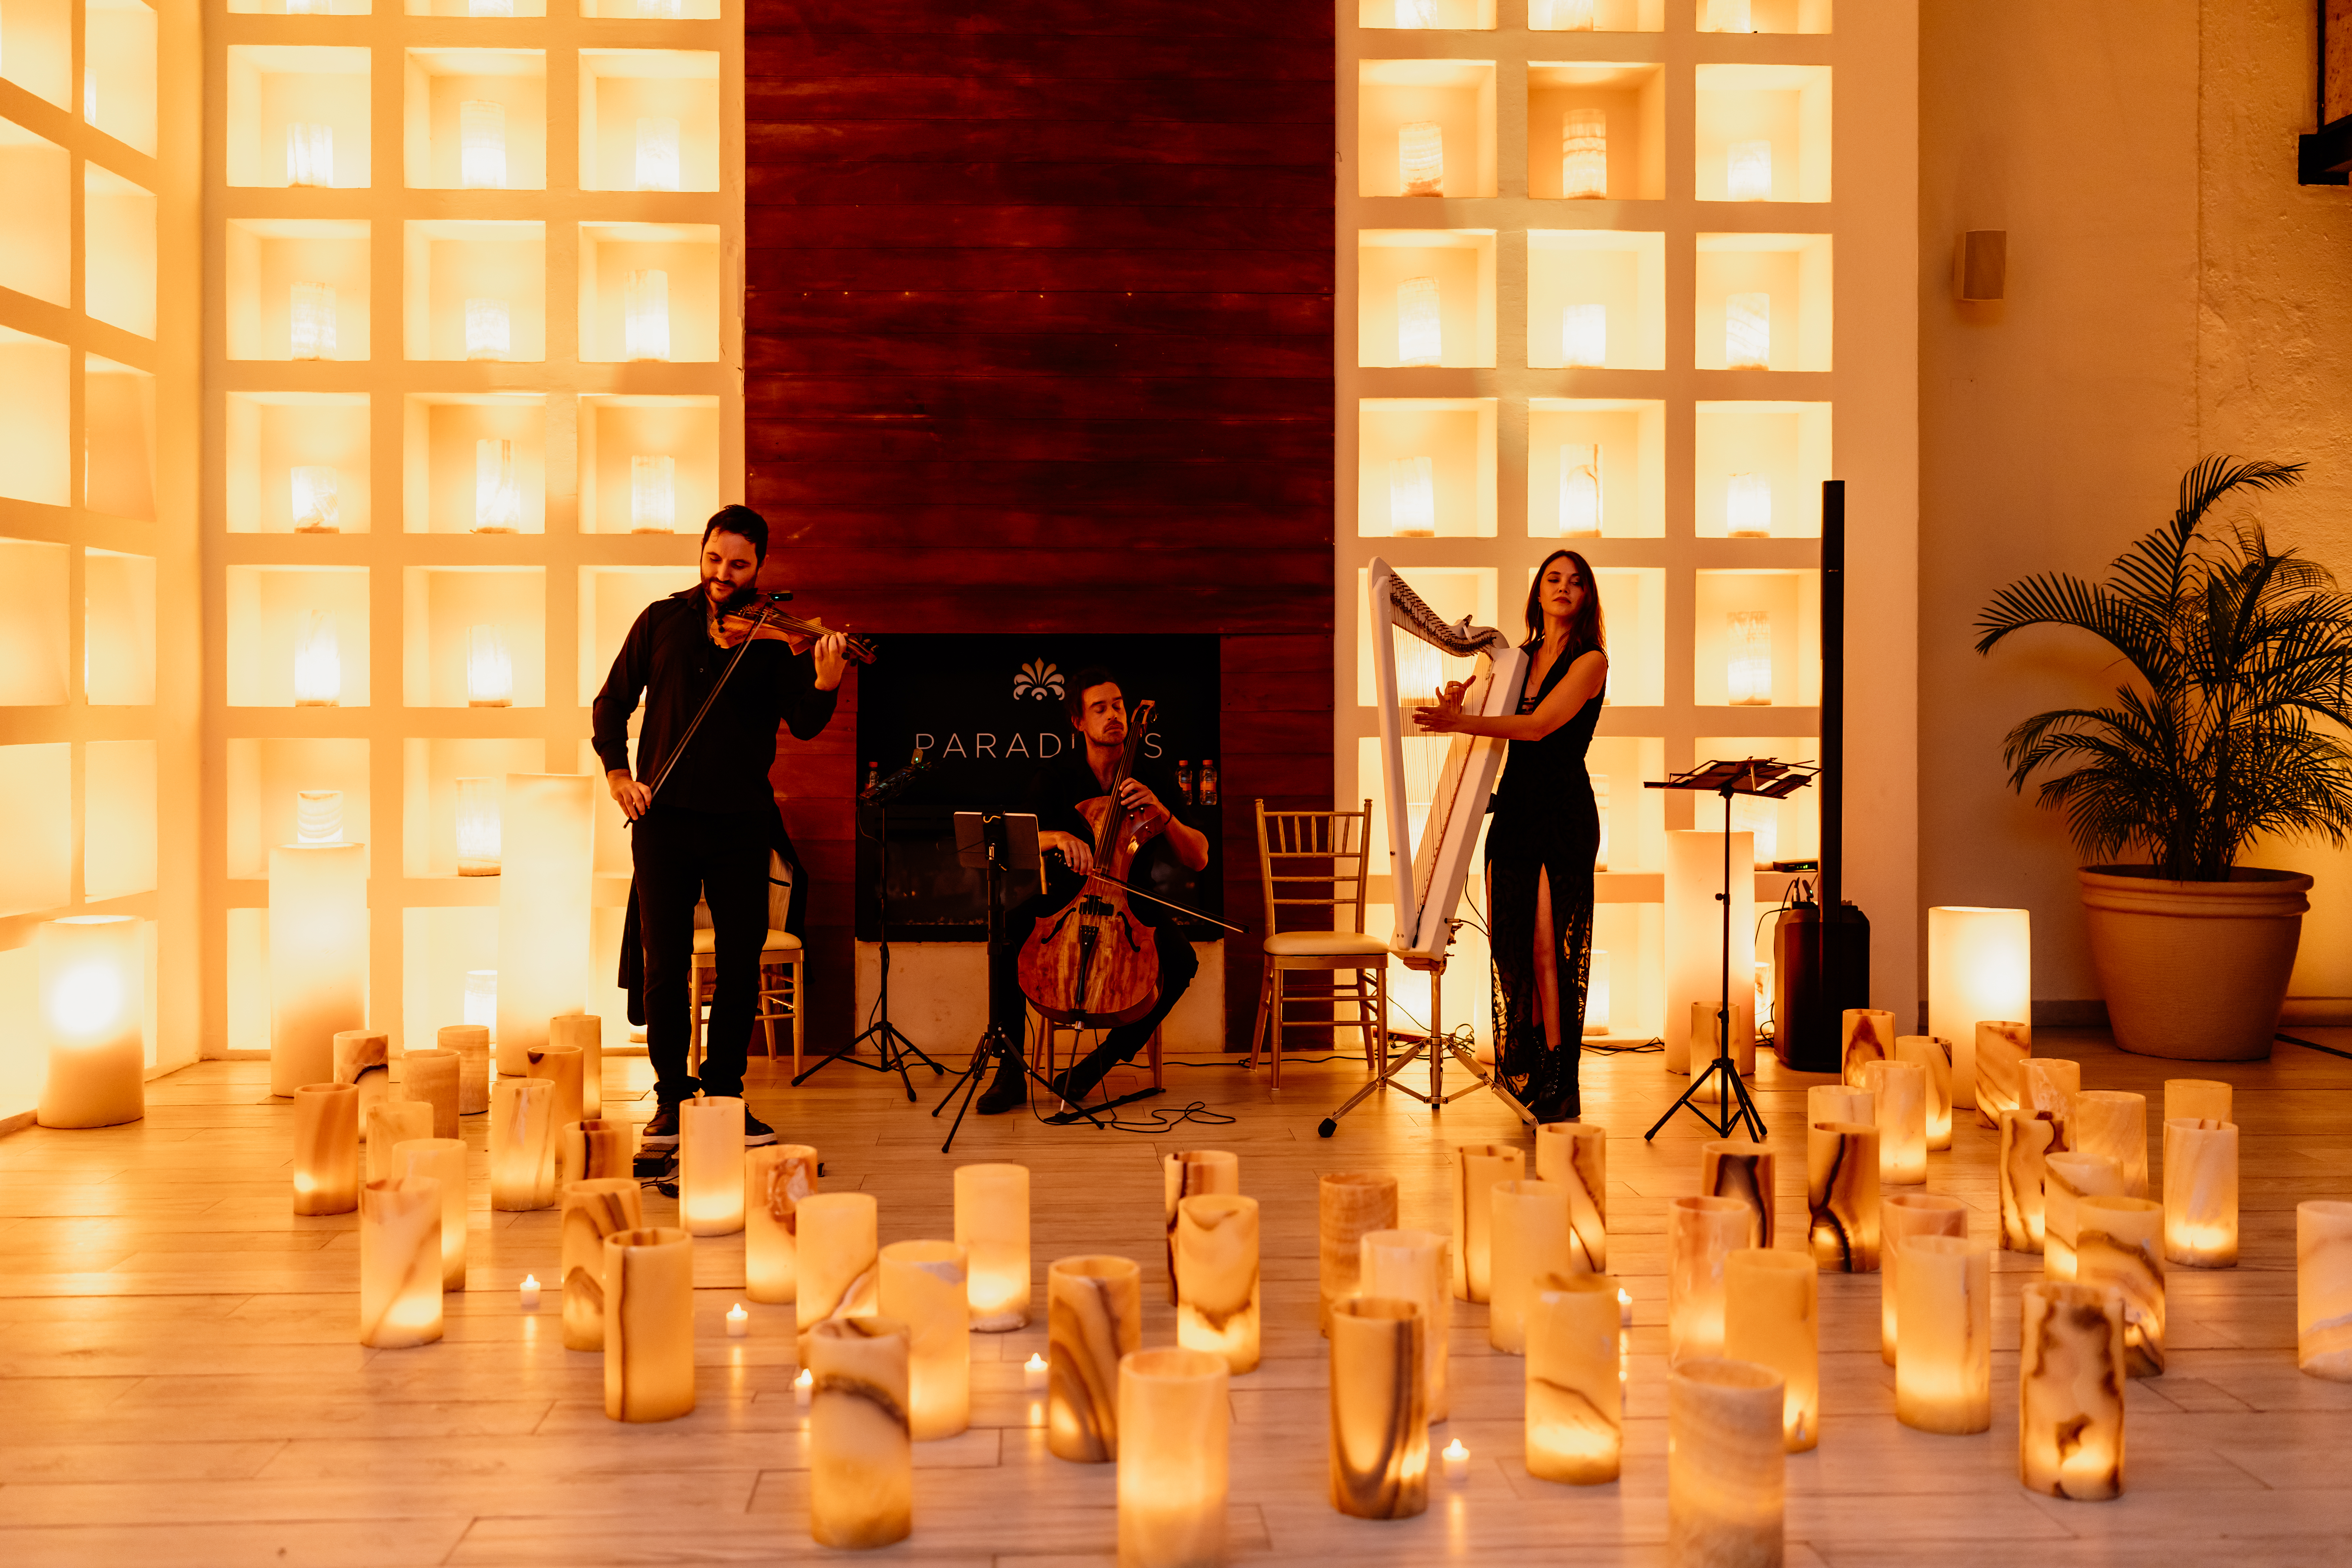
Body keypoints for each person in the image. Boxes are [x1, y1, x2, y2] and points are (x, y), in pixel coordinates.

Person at [592, 504, 850, 1151]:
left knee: (741, 962)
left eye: (738, 564)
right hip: (664, 820)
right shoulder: (661, 621)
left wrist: (823, 681)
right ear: (702, 553)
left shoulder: (776, 636)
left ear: (759, 565)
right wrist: (619, 776)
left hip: (742, 822)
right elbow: (610, 703)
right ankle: (672, 1100)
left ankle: (727, 1092)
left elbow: (807, 723)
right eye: (714, 559)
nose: (722, 574)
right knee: (664, 964)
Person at [1414, 549, 1607, 1123]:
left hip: (1561, 812)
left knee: (1550, 949)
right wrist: (1459, 701)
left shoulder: (1590, 661)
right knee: (1513, 947)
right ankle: (1528, 1060)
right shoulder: (1513, 659)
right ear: (1538, 592)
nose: (1564, 588)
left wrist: (1462, 721)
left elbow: (1540, 726)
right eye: (1554, 579)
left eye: (1576, 582)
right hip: (1516, 814)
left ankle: (1558, 1076)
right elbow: (1484, 710)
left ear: (1587, 597)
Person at [975, 669, 1211, 1116]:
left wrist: (1164, 814)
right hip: (1064, 898)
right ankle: (1010, 1071)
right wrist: (1059, 838)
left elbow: (1198, 858)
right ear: (1079, 723)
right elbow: (1010, 837)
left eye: (1118, 705)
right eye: (1099, 708)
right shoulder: (1057, 777)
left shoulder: (1151, 776)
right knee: (1006, 937)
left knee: (1182, 964)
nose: (1113, 715)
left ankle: (1096, 1066)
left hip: (1133, 899)